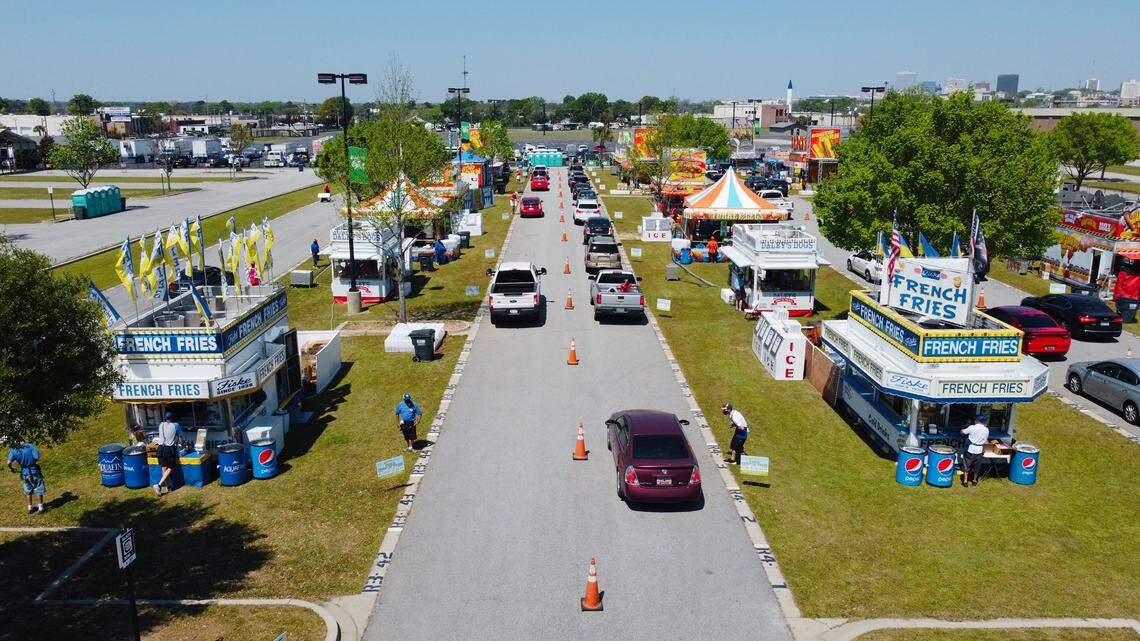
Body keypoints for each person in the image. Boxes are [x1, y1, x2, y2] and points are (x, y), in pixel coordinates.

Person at [7, 441, 45, 514]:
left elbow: (9, 462)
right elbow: (36, 457)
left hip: (24, 473)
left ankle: (30, 508)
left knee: (28, 490)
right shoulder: (30, 446)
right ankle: (41, 508)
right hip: (34, 471)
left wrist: (11, 468)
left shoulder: (13, 449)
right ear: (23, 441)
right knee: (39, 488)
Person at [154, 412, 186, 496]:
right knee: (170, 467)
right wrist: (184, 445)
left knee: (164, 468)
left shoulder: (161, 424)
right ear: (173, 418)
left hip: (160, 448)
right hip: (169, 449)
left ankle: (169, 486)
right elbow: (180, 439)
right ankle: (159, 485)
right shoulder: (176, 425)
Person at [960, 415, 990, 487]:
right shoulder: (986, 429)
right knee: (977, 466)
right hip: (980, 450)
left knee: (966, 465)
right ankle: (974, 480)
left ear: (977, 420)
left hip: (971, 449)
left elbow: (962, 432)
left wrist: (961, 429)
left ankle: (965, 481)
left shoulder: (972, 427)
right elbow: (985, 439)